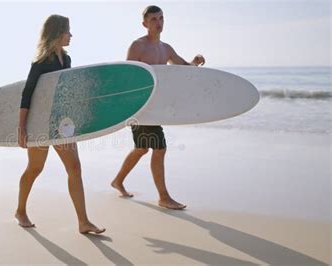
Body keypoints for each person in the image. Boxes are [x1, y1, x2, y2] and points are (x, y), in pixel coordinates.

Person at [16, 14, 105, 234]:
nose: (71, 35)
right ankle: (20, 210)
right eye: (68, 31)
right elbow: (27, 95)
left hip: (62, 123)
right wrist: (22, 127)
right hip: (41, 124)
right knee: (35, 168)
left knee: (74, 168)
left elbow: (66, 93)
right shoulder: (40, 63)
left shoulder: (67, 60)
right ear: (57, 32)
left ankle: (83, 222)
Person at [111, 5, 205, 210]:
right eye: (153, 19)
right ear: (145, 23)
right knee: (159, 148)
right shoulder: (138, 46)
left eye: (161, 18)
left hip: (155, 107)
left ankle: (118, 181)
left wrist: (194, 62)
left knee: (142, 148)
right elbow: (128, 74)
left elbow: (182, 67)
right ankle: (164, 197)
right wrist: (127, 107)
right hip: (140, 106)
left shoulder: (166, 49)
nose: (158, 22)